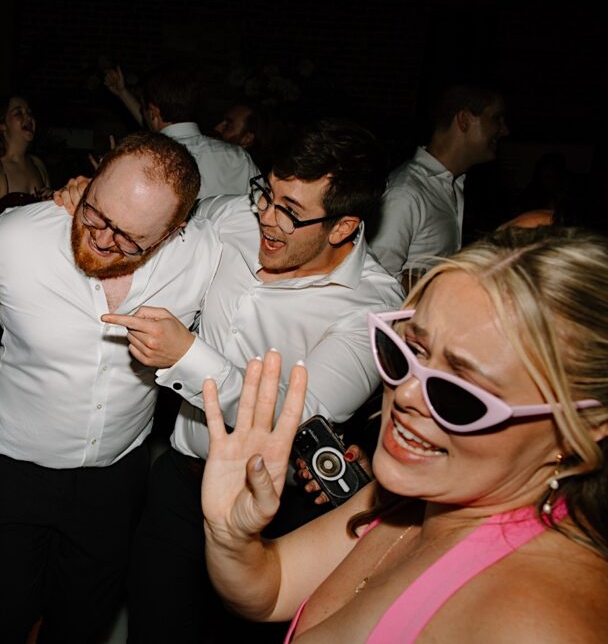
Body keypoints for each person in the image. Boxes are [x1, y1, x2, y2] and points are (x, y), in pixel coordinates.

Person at [201, 227, 608, 642]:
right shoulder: (412, 497)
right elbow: (271, 589)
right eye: (409, 351)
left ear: (581, 428)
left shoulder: (537, 622)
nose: (406, 393)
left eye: (461, 392)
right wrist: (230, 536)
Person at [105, 119, 403, 643]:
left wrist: (189, 355)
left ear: (342, 226)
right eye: (267, 192)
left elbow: (301, 410)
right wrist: (88, 202)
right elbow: (161, 218)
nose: (266, 216)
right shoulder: (234, 219)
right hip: (179, 483)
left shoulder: (372, 311)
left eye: (290, 211)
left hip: (272, 513)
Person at [0, 131, 223, 643]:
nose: (103, 240)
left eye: (130, 239)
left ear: (176, 230)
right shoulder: (16, 238)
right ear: (90, 177)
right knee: (2, 618)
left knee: (83, 622)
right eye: (95, 213)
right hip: (10, 473)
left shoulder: (204, 255)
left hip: (116, 477)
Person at [370, 85, 508, 288]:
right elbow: (374, 284)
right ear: (464, 120)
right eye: (496, 118)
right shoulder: (405, 193)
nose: (504, 130)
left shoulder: (452, 185)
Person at [140, 64, 261, 198]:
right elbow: (262, 206)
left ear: (152, 112)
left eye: (143, 110)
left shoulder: (146, 159)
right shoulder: (238, 158)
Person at [0, 95, 51, 223]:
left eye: (29, 112)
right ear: (1, 125)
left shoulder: (38, 165)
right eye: (18, 113)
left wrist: (50, 201)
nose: (28, 117)